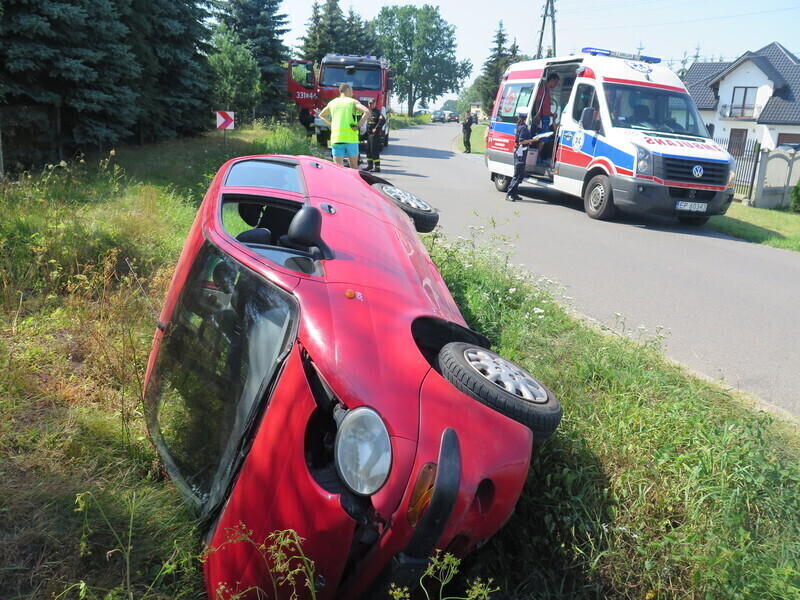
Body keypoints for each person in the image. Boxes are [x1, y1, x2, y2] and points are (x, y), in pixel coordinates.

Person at [317, 83, 370, 168]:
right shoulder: (352, 102)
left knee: (338, 169)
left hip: (336, 138)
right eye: (352, 91)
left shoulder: (332, 103)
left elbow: (321, 115)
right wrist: (358, 125)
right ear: (348, 90)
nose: (352, 94)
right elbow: (367, 112)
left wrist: (330, 124)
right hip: (351, 139)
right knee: (353, 169)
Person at [506, 108, 534, 202]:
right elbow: (521, 141)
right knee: (517, 174)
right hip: (520, 152)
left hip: (520, 151)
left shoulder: (519, 126)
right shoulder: (523, 128)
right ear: (526, 117)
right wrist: (533, 140)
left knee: (520, 174)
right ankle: (509, 194)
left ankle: (514, 193)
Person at [363, 99, 386, 172]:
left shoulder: (377, 112)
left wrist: (376, 128)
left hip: (375, 135)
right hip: (369, 134)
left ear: (375, 104)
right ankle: (370, 166)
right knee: (368, 150)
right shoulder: (370, 112)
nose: (371, 105)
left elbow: (382, 120)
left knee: (374, 151)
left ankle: (377, 167)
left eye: (372, 103)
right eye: (369, 103)